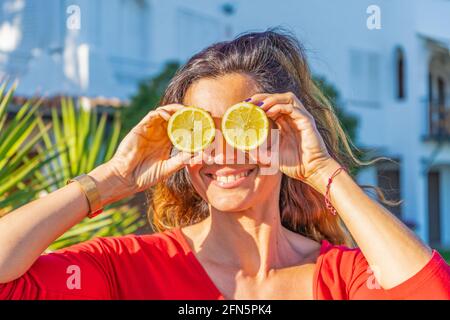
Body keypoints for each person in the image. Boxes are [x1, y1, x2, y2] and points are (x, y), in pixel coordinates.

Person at [0, 30, 449, 300]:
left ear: (283, 130)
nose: (219, 151)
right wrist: (110, 180)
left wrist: (322, 170)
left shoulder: (342, 277)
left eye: (240, 126)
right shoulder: (126, 269)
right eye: (198, 131)